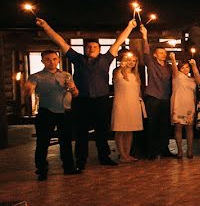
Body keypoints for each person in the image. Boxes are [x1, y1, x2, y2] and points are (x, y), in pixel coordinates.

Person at [36, 17, 135, 169]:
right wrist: (46, 27)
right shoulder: (78, 59)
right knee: (81, 131)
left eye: (95, 47)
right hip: (81, 100)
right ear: (85, 49)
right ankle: (81, 159)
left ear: (100, 49)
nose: (92, 49)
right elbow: (60, 42)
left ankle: (104, 156)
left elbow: (118, 42)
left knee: (102, 130)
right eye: (89, 47)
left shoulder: (106, 59)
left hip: (101, 99)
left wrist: (129, 27)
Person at [24, 49, 79, 180]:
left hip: (65, 111)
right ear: (42, 61)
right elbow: (28, 91)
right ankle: (42, 170)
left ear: (58, 60)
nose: (51, 62)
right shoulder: (36, 76)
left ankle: (69, 167)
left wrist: (72, 88)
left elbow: (76, 93)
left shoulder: (66, 75)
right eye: (48, 60)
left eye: (54, 59)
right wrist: (28, 89)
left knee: (66, 141)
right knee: (43, 141)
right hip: (46, 111)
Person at [140, 25, 176, 159]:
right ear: (155, 55)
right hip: (153, 97)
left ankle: (164, 149)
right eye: (160, 53)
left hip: (165, 97)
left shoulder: (168, 66)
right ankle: (151, 151)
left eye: (164, 53)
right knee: (152, 125)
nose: (163, 54)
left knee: (164, 125)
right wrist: (145, 35)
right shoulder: (151, 63)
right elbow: (146, 52)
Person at [110, 51, 145, 162]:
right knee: (120, 129)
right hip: (121, 103)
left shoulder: (136, 75)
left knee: (130, 130)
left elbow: (138, 90)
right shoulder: (118, 72)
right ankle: (122, 154)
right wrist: (122, 67)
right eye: (129, 60)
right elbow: (115, 78)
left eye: (134, 61)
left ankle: (127, 154)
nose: (131, 63)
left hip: (133, 103)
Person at [169, 55, 197, 158]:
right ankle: (180, 151)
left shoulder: (192, 79)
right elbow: (174, 69)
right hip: (178, 103)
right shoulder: (177, 76)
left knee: (189, 128)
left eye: (187, 67)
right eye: (182, 67)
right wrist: (172, 59)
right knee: (178, 128)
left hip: (189, 103)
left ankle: (190, 150)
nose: (185, 69)